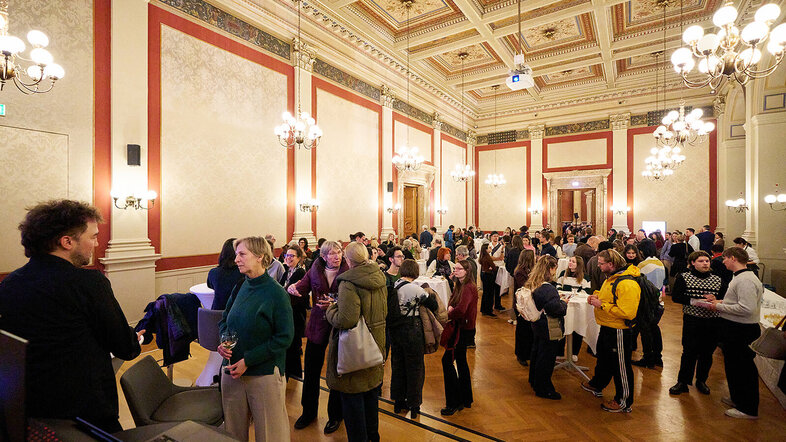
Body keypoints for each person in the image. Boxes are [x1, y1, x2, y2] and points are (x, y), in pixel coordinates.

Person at [0, 200, 142, 433]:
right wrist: (134, 339)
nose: (96, 243)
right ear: (67, 242)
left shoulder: (10, 284)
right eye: (93, 236)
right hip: (84, 415)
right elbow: (125, 348)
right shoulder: (88, 283)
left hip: (30, 412)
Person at [218, 237, 294, 442]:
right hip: (232, 372)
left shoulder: (276, 294)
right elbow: (225, 320)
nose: (236, 260)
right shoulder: (241, 285)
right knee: (233, 433)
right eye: (236, 255)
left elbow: (284, 338)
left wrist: (248, 361)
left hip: (264, 375)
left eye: (242, 254)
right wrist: (224, 342)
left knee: (271, 434)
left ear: (260, 257)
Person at [325, 242, 387, 441]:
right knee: (370, 399)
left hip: (355, 351)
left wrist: (331, 310)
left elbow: (346, 320)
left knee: (352, 405)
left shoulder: (349, 283)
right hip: (375, 344)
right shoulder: (379, 277)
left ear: (348, 260)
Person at [289, 241, 347, 434]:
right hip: (317, 325)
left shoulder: (348, 270)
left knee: (337, 370)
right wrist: (293, 289)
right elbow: (302, 288)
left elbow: (354, 298)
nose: (336, 256)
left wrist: (335, 301)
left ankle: (336, 415)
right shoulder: (315, 268)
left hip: (340, 325)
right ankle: (309, 411)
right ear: (323, 256)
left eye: (338, 252)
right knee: (312, 370)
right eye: (331, 253)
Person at [705, 247, 764, 419]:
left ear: (733, 258)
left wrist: (718, 306)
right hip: (734, 328)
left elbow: (746, 308)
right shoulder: (741, 277)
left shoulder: (745, 280)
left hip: (741, 329)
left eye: (725, 258)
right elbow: (738, 301)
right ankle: (738, 398)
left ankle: (748, 408)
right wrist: (720, 300)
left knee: (743, 369)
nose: (722, 262)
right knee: (734, 367)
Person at [582, 249, 641, 413]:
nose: (598, 266)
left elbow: (628, 312)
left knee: (620, 366)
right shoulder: (612, 278)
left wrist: (602, 305)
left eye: (601, 263)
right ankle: (597, 384)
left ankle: (623, 401)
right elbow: (609, 296)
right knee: (604, 358)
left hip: (619, 330)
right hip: (607, 325)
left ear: (611, 264)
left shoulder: (627, 283)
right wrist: (595, 296)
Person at [668, 251, 724, 396]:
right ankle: (683, 382)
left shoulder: (717, 279)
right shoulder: (684, 277)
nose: (705, 263)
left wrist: (715, 298)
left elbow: (724, 297)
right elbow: (676, 297)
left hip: (713, 320)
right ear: (693, 263)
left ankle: (701, 380)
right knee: (689, 351)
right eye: (701, 261)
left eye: (707, 261)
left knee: (707, 352)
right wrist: (696, 301)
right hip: (692, 319)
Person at [389, 259, 438, 418]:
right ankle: (414, 405)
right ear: (415, 272)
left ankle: (398, 402)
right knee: (415, 368)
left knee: (397, 365)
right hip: (412, 329)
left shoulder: (393, 285)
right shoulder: (414, 289)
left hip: (395, 331)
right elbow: (433, 305)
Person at [440, 259, 478, 416]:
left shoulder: (468, 288)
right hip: (460, 327)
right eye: (454, 268)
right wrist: (451, 308)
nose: (455, 271)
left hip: (463, 329)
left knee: (447, 361)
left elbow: (461, 310)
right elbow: (451, 302)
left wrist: (449, 312)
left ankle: (454, 402)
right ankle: (465, 398)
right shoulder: (460, 285)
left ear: (467, 271)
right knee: (461, 362)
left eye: (459, 269)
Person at [526, 255, 566, 400]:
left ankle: (535, 380)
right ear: (551, 268)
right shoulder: (548, 288)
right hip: (548, 325)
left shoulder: (535, 283)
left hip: (538, 324)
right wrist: (564, 303)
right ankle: (544, 388)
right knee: (546, 357)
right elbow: (558, 310)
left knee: (537, 352)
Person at [631, 241, 665, 368]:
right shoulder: (659, 263)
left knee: (645, 330)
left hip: (646, 300)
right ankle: (657, 357)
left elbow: (636, 281)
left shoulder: (644, 264)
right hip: (657, 298)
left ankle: (648, 357)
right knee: (654, 328)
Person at [279, 245, 307, 380]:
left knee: (294, 345)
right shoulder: (286, 272)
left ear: (299, 258)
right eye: (287, 255)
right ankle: (290, 373)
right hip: (287, 313)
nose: (288, 258)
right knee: (289, 346)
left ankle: (294, 375)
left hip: (295, 314)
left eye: (292, 256)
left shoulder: (300, 273)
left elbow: (295, 296)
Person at [556, 256, 591, 361]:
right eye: (570, 261)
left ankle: (574, 352)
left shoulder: (585, 277)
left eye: (573, 262)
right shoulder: (563, 273)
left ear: (578, 264)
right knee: (563, 326)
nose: (570, 263)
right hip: (565, 304)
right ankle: (560, 352)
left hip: (577, 306)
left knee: (577, 327)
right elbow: (558, 286)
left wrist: (574, 295)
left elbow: (586, 292)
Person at [208, 237, 245, 310]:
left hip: (216, 315)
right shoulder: (243, 273)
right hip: (236, 314)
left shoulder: (213, 272)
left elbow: (210, 286)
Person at [513, 249, 536, 366]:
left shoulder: (530, 270)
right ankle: (521, 354)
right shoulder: (520, 272)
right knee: (522, 330)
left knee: (530, 330)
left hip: (529, 304)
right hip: (521, 305)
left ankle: (528, 353)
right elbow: (524, 286)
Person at [478, 243, 498, 317]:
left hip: (484, 275)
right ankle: (489, 310)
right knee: (490, 294)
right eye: (489, 248)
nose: (491, 249)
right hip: (488, 276)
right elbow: (494, 267)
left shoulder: (483, 257)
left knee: (486, 293)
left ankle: (484, 309)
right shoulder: (487, 257)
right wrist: (492, 267)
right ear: (486, 250)